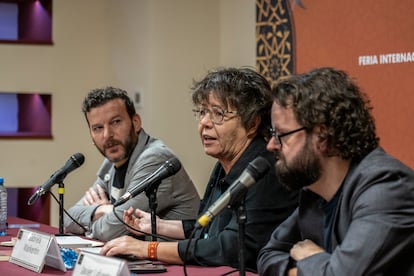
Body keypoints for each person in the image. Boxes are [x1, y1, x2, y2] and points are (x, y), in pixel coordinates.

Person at [100, 67, 299, 270]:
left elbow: (230, 247)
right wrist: (158, 226)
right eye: (203, 112)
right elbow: (209, 227)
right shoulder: (224, 164)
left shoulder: (264, 170)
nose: (204, 123)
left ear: (252, 123)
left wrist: (149, 249)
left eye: (218, 114)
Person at [257, 67, 414, 276]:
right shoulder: (315, 190)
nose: (271, 145)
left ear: (321, 136)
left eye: (282, 134)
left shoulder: (387, 188)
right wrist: (316, 266)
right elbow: (268, 255)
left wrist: (313, 258)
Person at [64, 87, 200, 241]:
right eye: (98, 128)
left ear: (135, 123)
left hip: (180, 261)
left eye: (115, 122)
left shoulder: (155, 158)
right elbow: (68, 219)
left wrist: (104, 217)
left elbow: (109, 230)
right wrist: (102, 210)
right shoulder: (111, 163)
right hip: (141, 258)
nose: (107, 135)